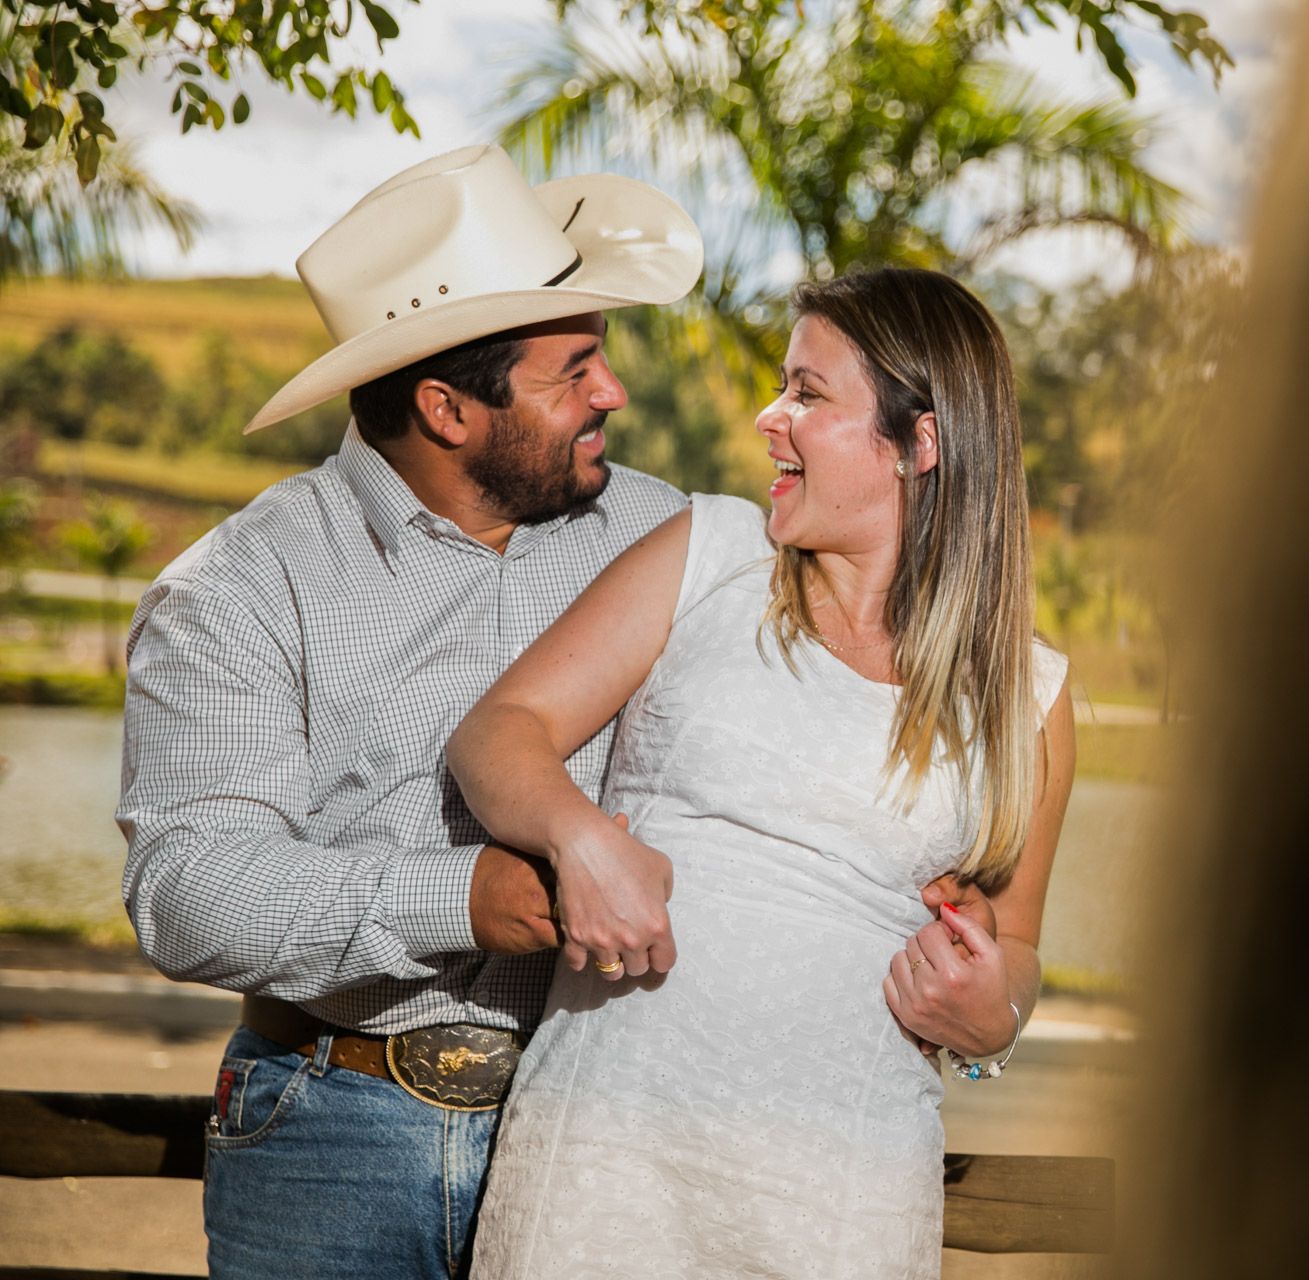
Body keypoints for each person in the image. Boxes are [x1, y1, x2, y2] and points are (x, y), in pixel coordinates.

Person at [116, 147, 988, 1279]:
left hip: (603, 1130)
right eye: (571, 371)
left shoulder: (674, 536)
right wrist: (469, 895)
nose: (611, 394)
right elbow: (192, 891)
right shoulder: (236, 588)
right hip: (331, 1130)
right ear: (444, 407)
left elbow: (832, 725)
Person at [445, 267, 1075, 1278]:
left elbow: (1022, 947)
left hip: (838, 1209)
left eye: (810, 395)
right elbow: (498, 732)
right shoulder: (712, 552)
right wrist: (581, 834)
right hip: (602, 1176)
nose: (768, 416)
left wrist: (990, 1009)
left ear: (923, 443)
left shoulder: (1029, 695)